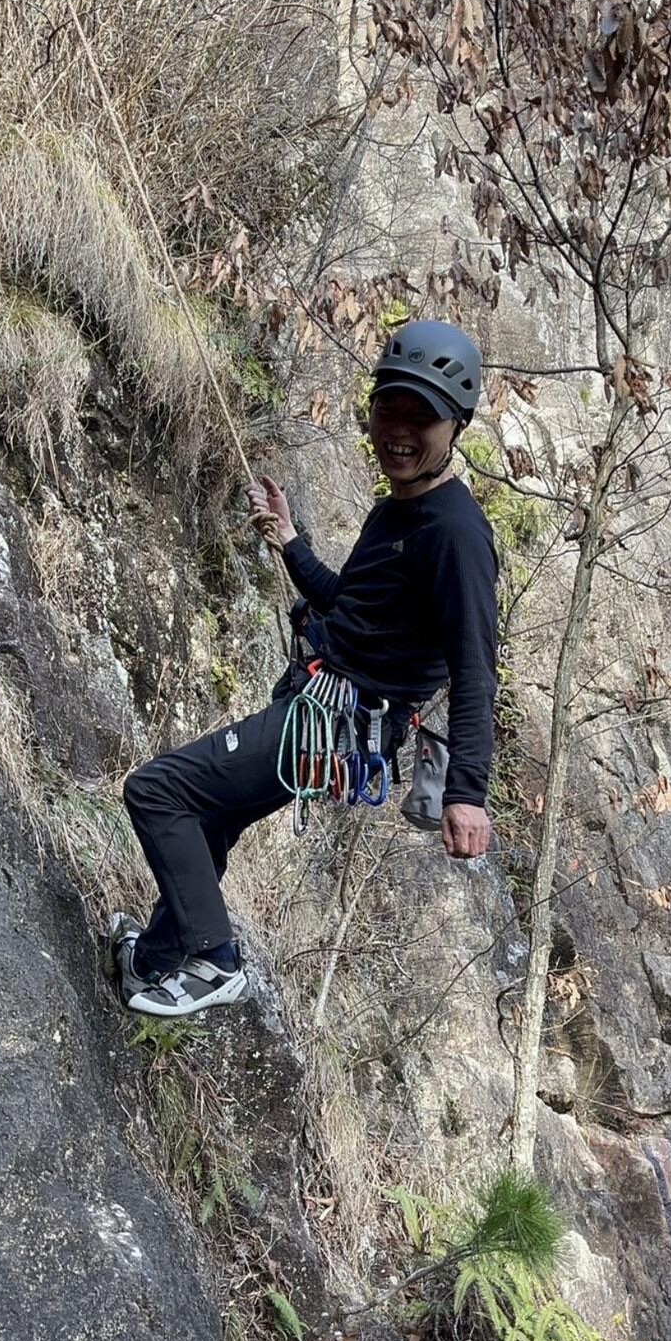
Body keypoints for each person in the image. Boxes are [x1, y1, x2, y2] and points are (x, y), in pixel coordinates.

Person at [107, 322, 499, 1019]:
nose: (400, 430)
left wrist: (468, 790)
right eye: (390, 408)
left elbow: (475, 669)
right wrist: (290, 542)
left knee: (157, 792)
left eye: (423, 416)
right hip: (326, 715)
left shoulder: (456, 534)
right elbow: (351, 606)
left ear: (457, 424)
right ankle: (153, 958)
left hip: (332, 725)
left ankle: (215, 961)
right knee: (211, 819)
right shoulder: (399, 511)